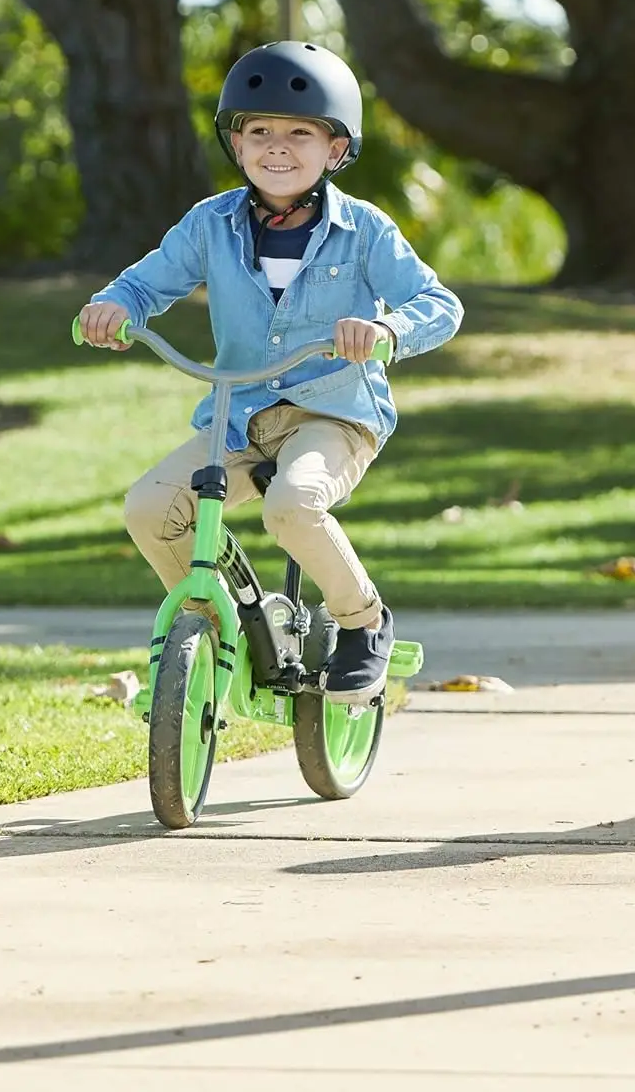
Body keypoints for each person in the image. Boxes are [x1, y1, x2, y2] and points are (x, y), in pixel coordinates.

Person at [78, 41, 463, 704]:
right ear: (237, 143)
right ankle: (222, 629)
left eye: (299, 133)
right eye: (259, 131)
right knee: (150, 509)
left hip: (334, 413)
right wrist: (114, 305)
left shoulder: (364, 230)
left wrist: (385, 332)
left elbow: (440, 305)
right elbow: (148, 283)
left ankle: (362, 621)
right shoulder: (211, 223)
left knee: (293, 503)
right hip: (240, 416)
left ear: (336, 150)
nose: (276, 147)